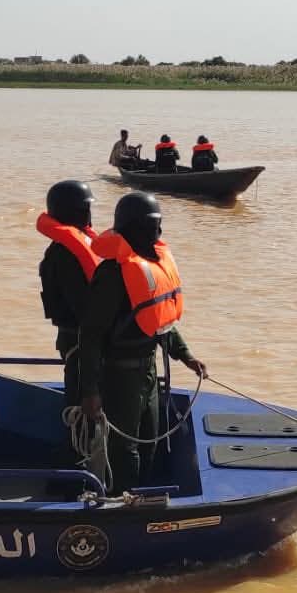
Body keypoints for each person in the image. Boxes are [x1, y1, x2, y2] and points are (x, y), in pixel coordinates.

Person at [77, 193, 206, 494]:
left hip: (148, 371)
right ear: (133, 228)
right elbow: (91, 335)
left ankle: (141, 493)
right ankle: (123, 502)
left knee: (151, 440)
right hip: (120, 376)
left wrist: (186, 355)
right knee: (125, 449)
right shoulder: (112, 275)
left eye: (158, 225)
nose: (157, 232)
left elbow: (160, 320)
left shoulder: (150, 268)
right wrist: (90, 391)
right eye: (151, 226)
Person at [35, 180, 98, 431]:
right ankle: (77, 452)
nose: (89, 214)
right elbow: (83, 308)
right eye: (85, 209)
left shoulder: (81, 243)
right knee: (82, 413)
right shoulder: (63, 255)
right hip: (78, 342)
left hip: (87, 340)